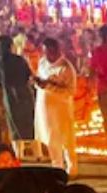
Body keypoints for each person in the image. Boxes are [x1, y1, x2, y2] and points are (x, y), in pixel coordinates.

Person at [33, 37, 77, 175]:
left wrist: (50, 87)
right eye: (45, 51)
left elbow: (70, 91)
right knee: (51, 140)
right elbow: (40, 81)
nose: (47, 55)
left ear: (57, 50)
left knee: (66, 140)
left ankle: (72, 168)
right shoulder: (42, 63)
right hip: (45, 111)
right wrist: (37, 83)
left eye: (50, 51)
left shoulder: (66, 68)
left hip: (61, 110)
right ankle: (57, 168)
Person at [0, 35, 34, 141]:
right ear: (11, 45)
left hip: (8, 96)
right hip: (24, 93)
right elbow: (28, 75)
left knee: (13, 124)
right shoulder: (19, 59)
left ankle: (18, 149)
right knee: (27, 123)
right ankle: (30, 148)